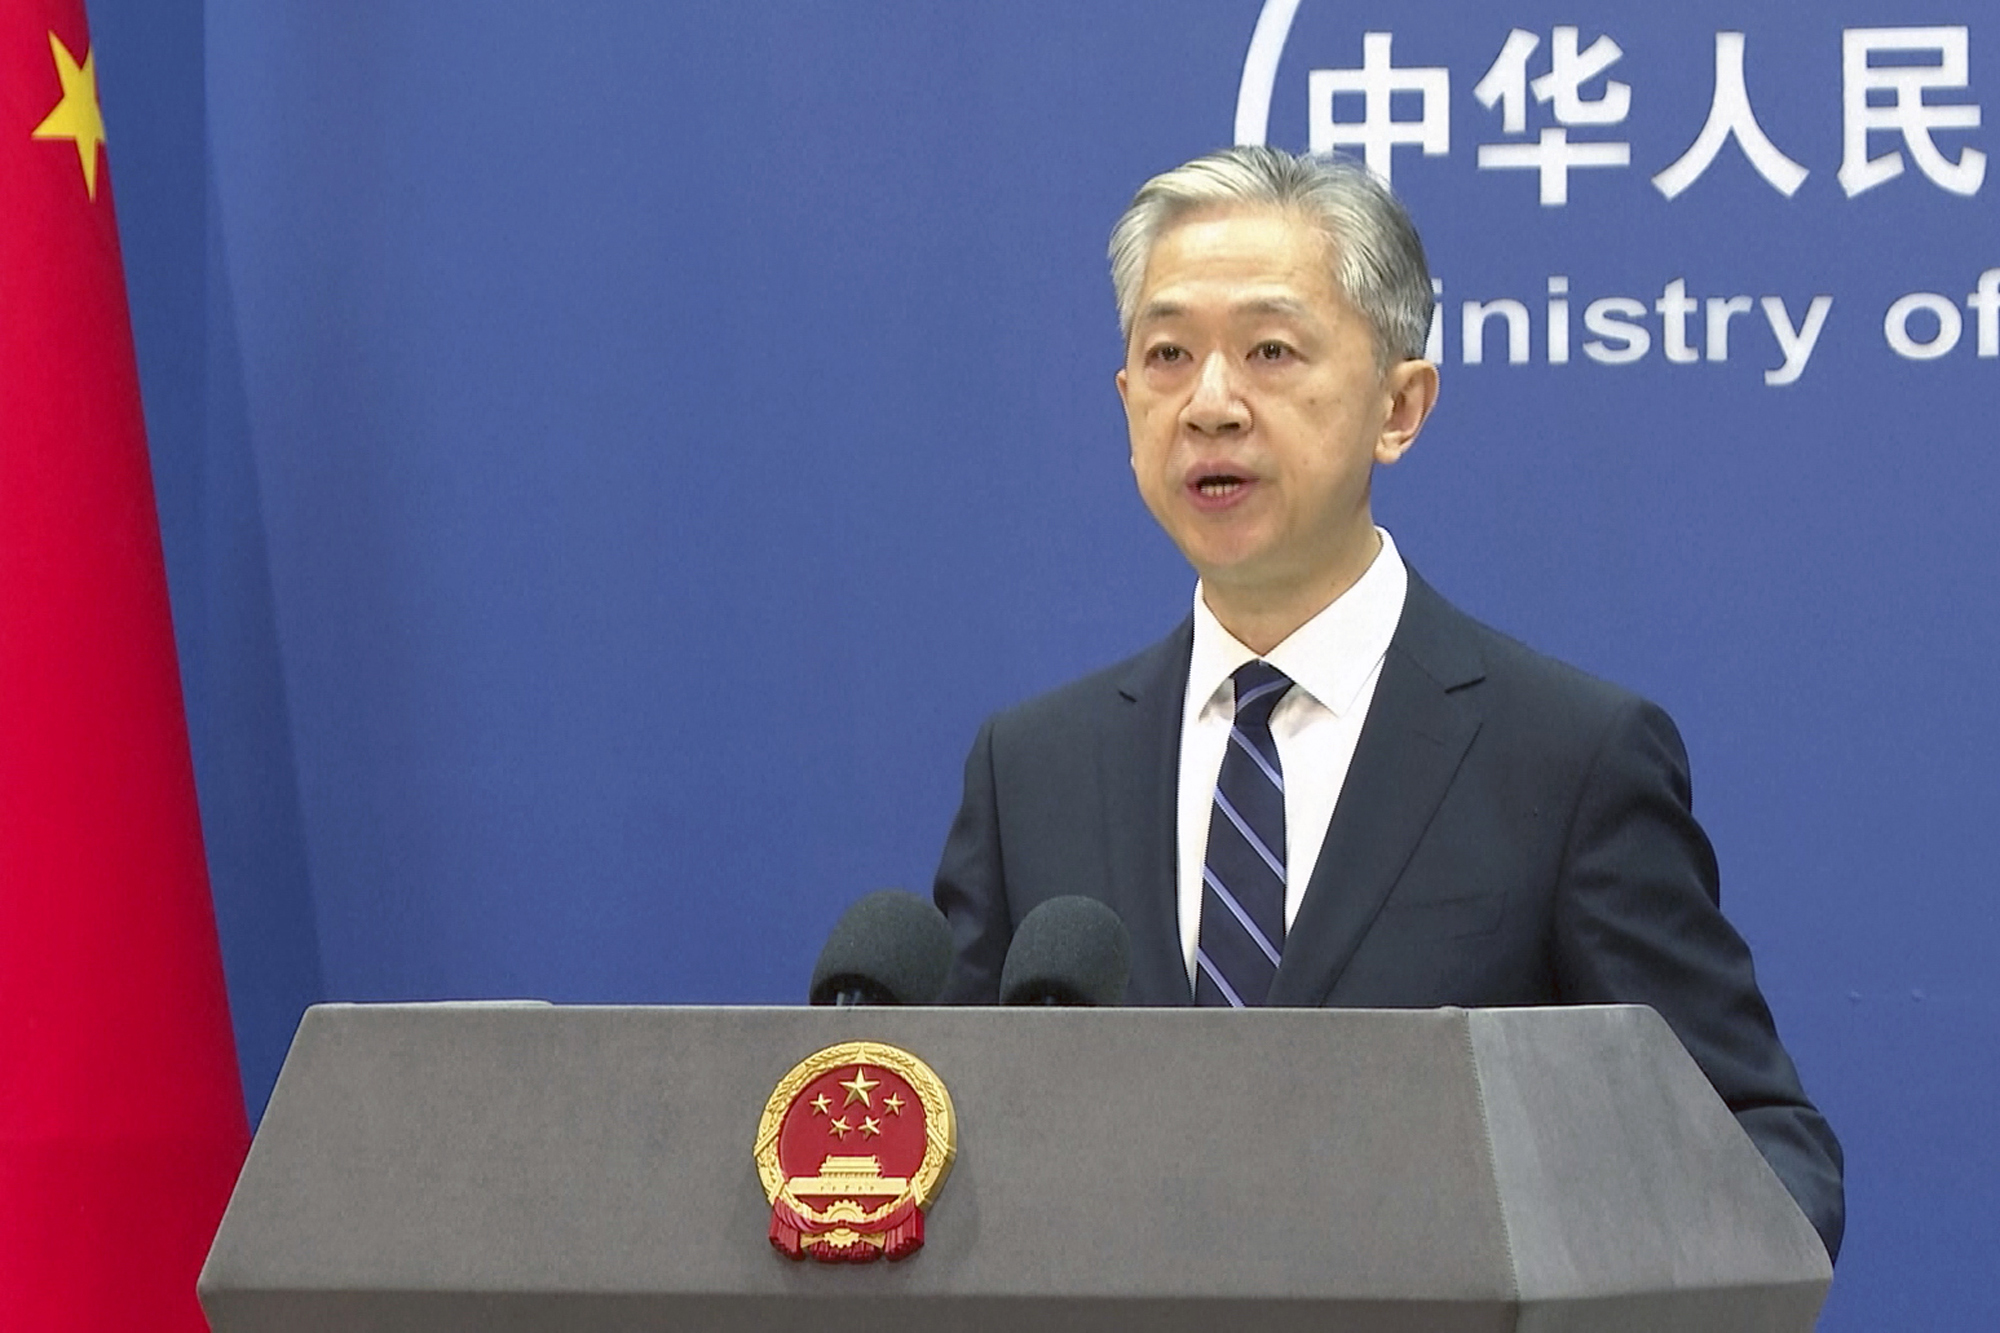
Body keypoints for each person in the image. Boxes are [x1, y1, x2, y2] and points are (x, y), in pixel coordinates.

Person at [929, 145, 1844, 1261]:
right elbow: (937, 1134)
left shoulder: (1563, 759)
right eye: (1165, 355)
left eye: (1269, 350)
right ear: (1126, 403)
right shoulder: (1030, 770)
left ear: (1398, 405)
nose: (1210, 403)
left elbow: (1756, 1152)